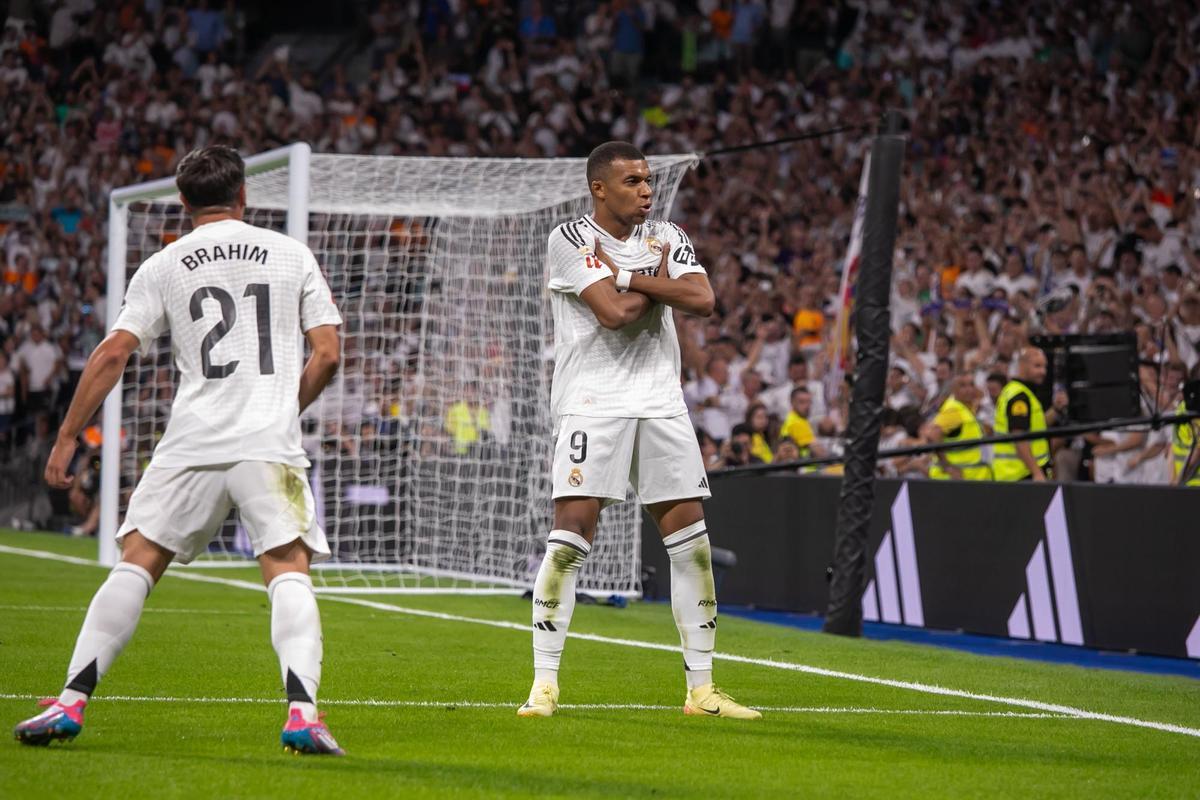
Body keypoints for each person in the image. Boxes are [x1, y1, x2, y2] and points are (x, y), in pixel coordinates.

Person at [13, 146, 346, 755]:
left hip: (190, 441)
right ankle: (302, 713)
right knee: (287, 567)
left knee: (136, 561)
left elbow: (112, 352)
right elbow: (327, 352)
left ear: (183, 202)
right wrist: (282, 409)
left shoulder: (165, 264)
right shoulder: (291, 253)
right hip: (266, 443)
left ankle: (70, 700)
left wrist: (65, 438)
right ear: (244, 194)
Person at [522, 141, 759, 720]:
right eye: (632, 181)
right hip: (592, 403)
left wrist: (629, 275)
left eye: (648, 180)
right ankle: (544, 684)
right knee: (570, 542)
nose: (646, 190)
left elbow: (702, 298)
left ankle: (701, 692)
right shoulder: (570, 239)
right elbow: (613, 313)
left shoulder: (670, 237)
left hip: (660, 403)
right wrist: (650, 285)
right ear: (599, 188)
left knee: (694, 549)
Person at [992, 347, 1065, 482]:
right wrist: (1037, 473)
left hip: (1018, 474)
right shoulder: (1019, 396)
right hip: (1020, 475)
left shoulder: (1018, 390)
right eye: (1037, 366)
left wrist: (1056, 409)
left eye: (1045, 367)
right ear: (1022, 365)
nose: (1043, 372)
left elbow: (1036, 426)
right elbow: (1019, 437)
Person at [924, 374, 992, 480]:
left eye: (971, 385)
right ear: (953, 389)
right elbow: (932, 436)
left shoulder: (965, 407)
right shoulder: (954, 409)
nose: (968, 389)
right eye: (962, 386)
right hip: (955, 482)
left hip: (970, 480)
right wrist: (948, 467)